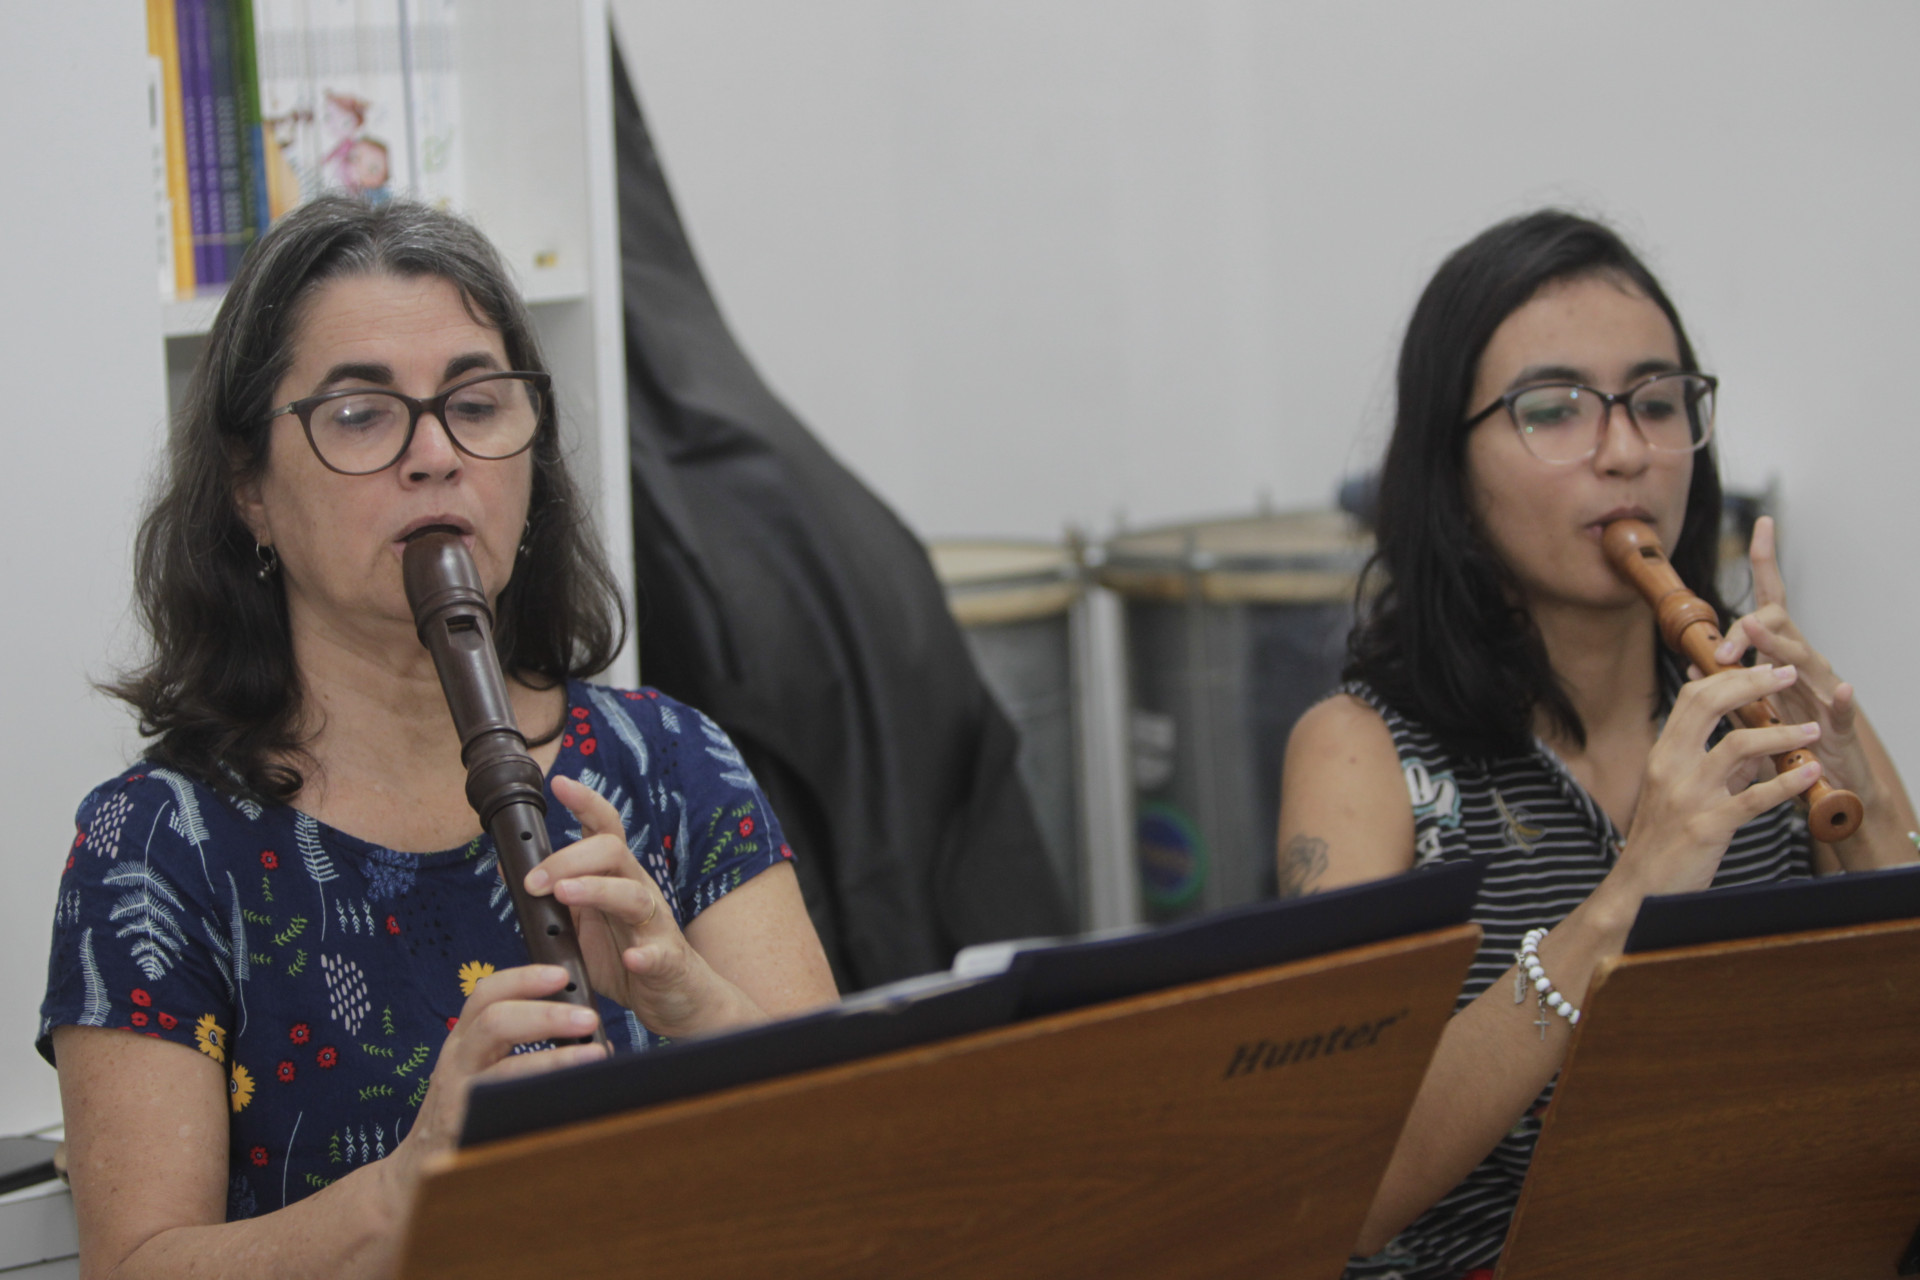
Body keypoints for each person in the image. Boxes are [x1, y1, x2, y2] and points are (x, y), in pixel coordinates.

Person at [39, 196, 838, 1276]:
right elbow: (135, 1264)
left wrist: (690, 1003)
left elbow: (848, 1159)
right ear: (248, 493)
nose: (435, 455)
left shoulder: (675, 766)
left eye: (475, 401)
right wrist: (406, 1185)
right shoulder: (153, 846)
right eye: (361, 413)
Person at [1276, 209, 1918, 1280]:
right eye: (1553, 409)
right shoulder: (1361, 752)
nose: (1624, 451)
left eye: (1657, 402)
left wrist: (1871, 823)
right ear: (1451, 465)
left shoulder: (1754, 710)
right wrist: (1628, 894)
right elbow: (1346, 1186)